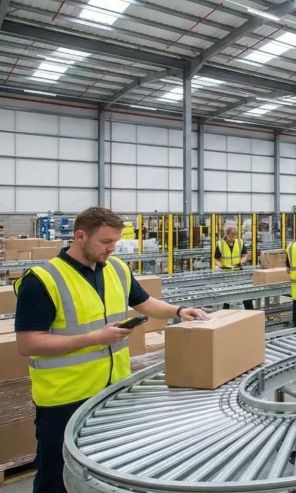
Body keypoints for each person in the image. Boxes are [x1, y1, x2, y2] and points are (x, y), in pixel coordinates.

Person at [14, 207, 209, 493]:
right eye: (106, 242)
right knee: (56, 474)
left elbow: (144, 303)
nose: (112, 248)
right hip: (64, 397)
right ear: (80, 236)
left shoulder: (116, 268)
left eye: (115, 242)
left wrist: (179, 310)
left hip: (112, 389)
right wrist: (96, 338)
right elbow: (28, 343)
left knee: (106, 466)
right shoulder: (42, 280)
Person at [214, 225, 254, 310]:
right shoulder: (220, 244)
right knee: (227, 295)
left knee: (245, 292)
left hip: (238, 271)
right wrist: (219, 265)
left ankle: (250, 311)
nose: (232, 239)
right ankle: (225, 312)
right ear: (226, 235)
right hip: (226, 273)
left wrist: (242, 261)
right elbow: (216, 259)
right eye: (230, 237)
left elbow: (245, 255)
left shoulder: (239, 242)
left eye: (234, 237)